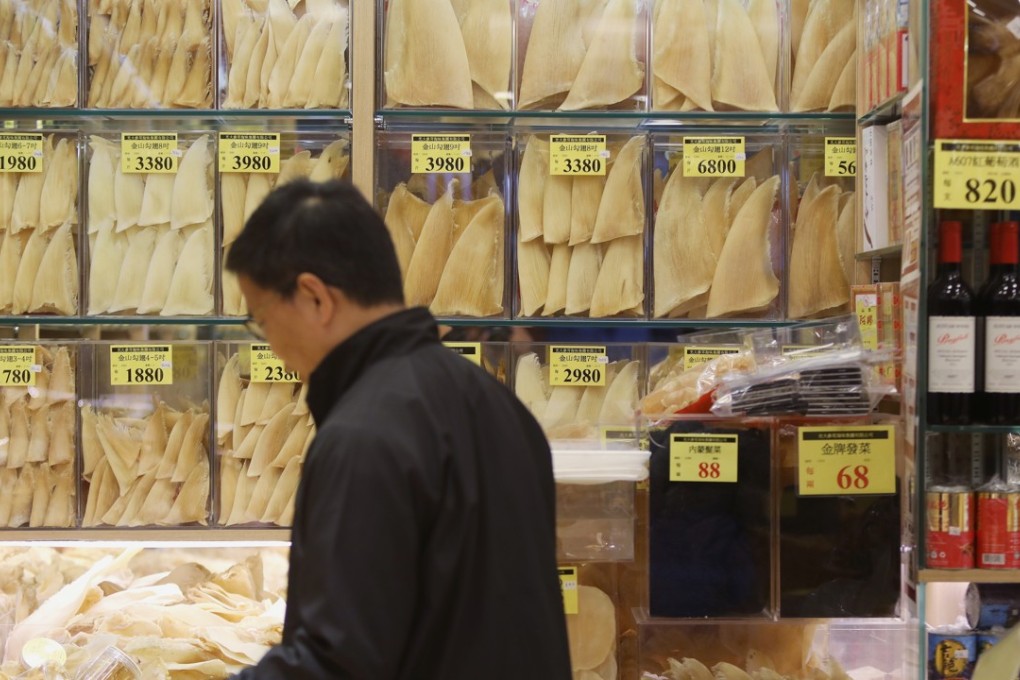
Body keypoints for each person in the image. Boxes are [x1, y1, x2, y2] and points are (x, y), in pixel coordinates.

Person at [226, 179, 572, 679]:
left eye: (261, 319)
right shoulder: (499, 405)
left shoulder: (363, 437)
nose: (271, 343)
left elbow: (337, 662)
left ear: (315, 298)